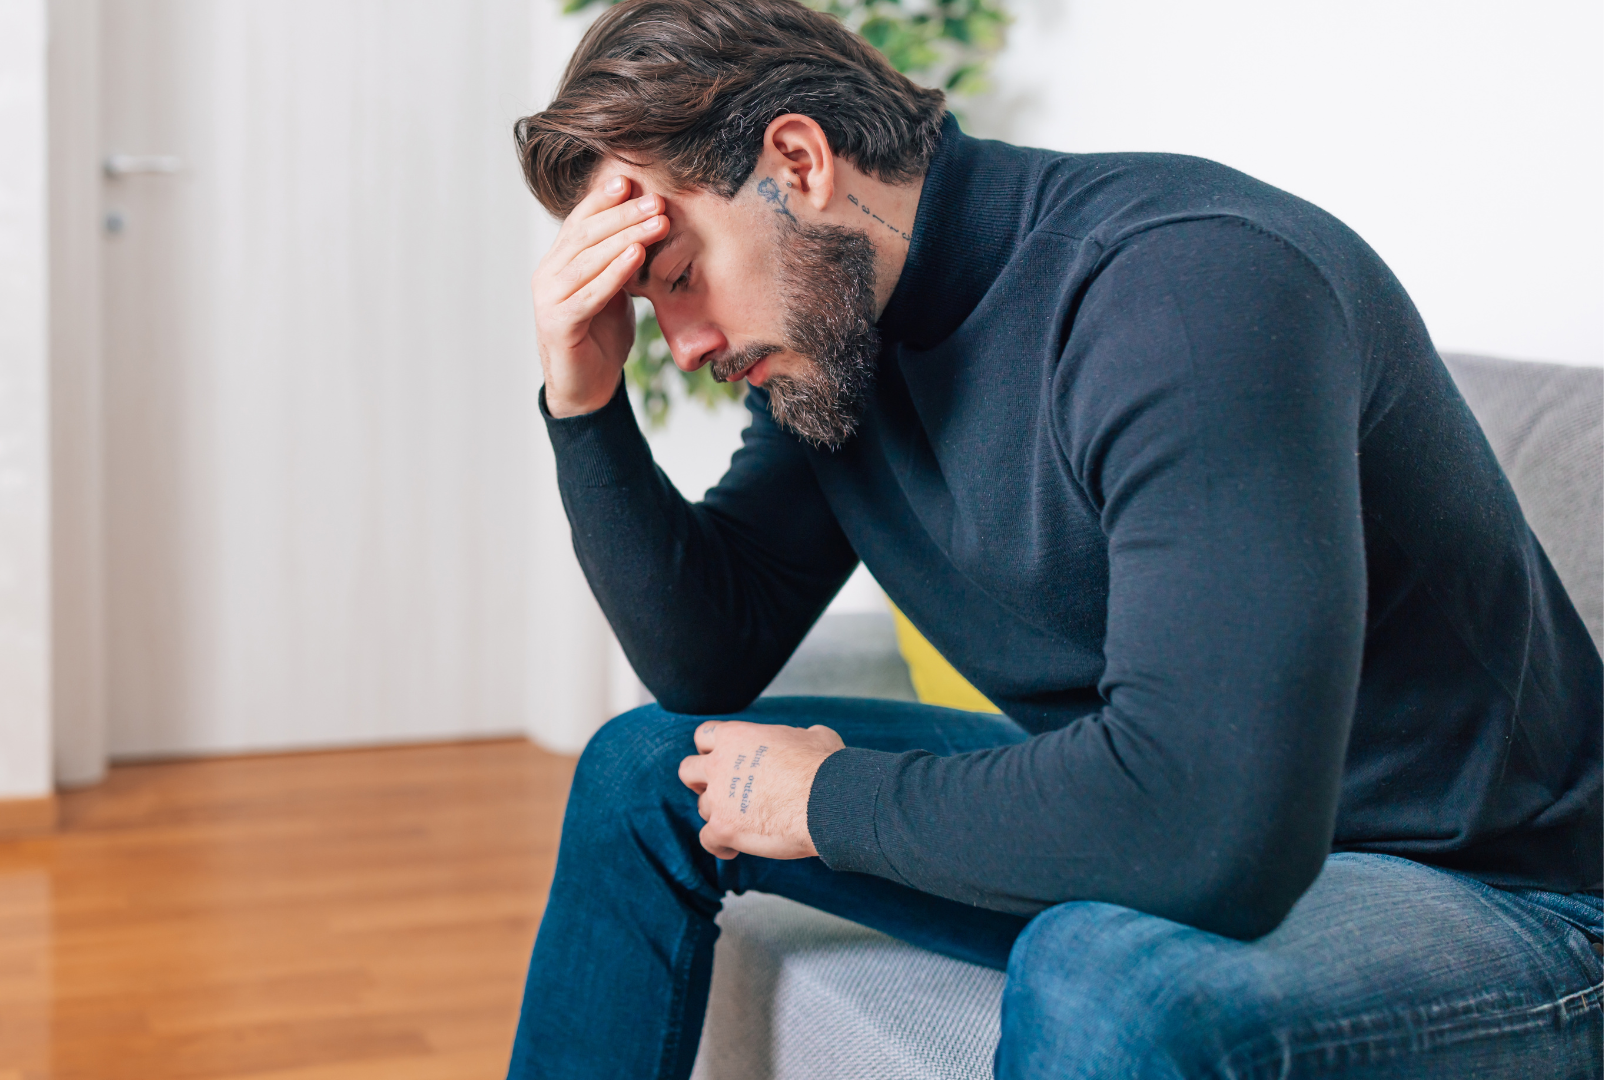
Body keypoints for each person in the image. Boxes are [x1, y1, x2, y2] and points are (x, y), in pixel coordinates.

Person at [509, 1, 1603, 1076]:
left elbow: (1211, 828)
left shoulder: (1186, 287)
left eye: (682, 277)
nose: (689, 345)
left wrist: (827, 800)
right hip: (1152, 812)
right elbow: (708, 657)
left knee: (1107, 979)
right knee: (646, 772)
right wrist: (584, 395)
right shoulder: (841, 342)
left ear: (797, 164)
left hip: (1498, 898)